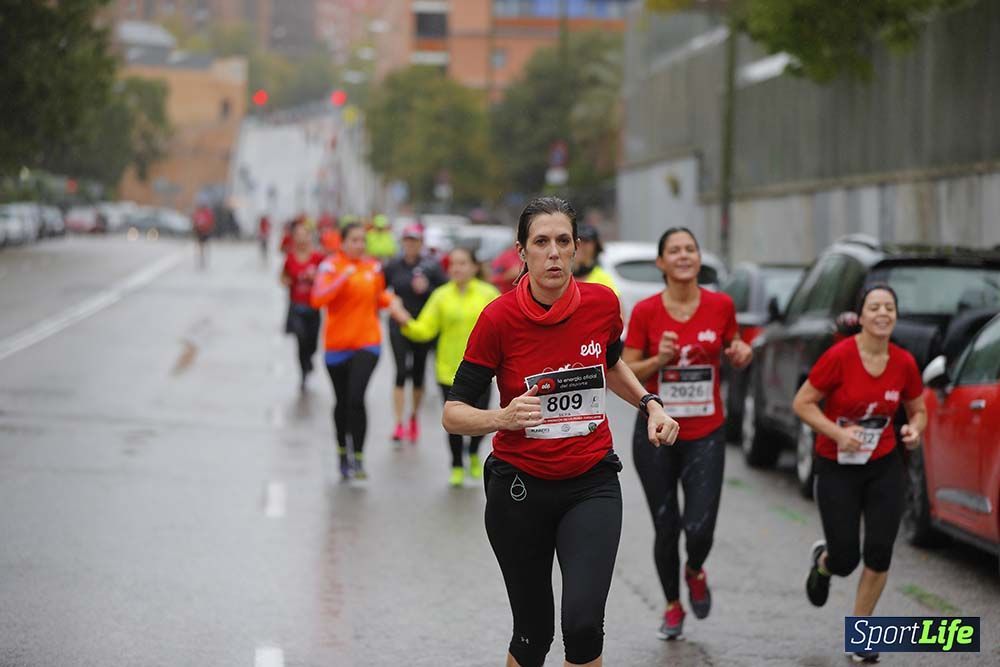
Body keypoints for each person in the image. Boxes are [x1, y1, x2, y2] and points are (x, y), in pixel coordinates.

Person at [442, 196, 680, 667]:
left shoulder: (602, 304)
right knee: (533, 635)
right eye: (541, 242)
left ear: (576, 248)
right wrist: (502, 418)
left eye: (562, 241)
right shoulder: (498, 319)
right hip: (519, 488)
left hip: (591, 482)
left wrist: (649, 404)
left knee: (584, 626)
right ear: (522, 251)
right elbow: (454, 413)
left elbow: (610, 364)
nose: (553, 252)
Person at [622, 226, 752, 640]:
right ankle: (672, 606)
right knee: (667, 526)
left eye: (690, 249)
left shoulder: (721, 305)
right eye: (674, 250)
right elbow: (625, 370)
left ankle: (694, 569)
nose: (683, 256)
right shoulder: (646, 311)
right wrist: (657, 360)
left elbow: (733, 346)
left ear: (698, 258)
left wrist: (741, 353)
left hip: (705, 432)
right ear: (661, 262)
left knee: (699, 528)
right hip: (657, 433)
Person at [793, 284, 926, 665]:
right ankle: (825, 563)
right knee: (846, 557)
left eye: (889, 308)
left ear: (895, 315)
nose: (883, 313)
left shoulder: (904, 362)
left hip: (884, 465)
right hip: (837, 466)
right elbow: (803, 403)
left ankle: (861, 632)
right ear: (862, 316)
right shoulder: (839, 357)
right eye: (875, 307)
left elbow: (918, 409)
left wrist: (915, 430)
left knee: (880, 551)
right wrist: (837, 434)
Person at [388, 246, 499, 486]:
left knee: (482, 419)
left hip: (483, 369)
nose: (457, 268)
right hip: (449, 370)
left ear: (474, 267)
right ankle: (457, 465)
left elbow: (503, 329)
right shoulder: (441, 295)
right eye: (453, 264)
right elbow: (425, 330)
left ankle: (473, 452)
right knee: (455, 422)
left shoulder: (488, 294)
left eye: (462, 263)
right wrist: (404, 320)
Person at [310, 222, 396, 481]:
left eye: (362, 240)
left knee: (357, 398)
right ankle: (342, 453)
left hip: (367, 342)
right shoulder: (330, 266)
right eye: (354, 240)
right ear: (343, 242)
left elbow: (379, 297)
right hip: (337, 346)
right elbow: (318, 298)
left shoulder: (373, 267)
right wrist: (342, 278)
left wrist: (397, 305)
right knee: (342, 401)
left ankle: (358, 456)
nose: (359, 245)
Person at [383, 223, 447, 444]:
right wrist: (393, 303)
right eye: (407, 240)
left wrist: (426, 288)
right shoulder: (393, 266)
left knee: (418, 374)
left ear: (421, 243)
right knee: (401, 372)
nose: (411, 244)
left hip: (423, 326)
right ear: (403, 242)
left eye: (415, 240)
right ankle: (398, 422)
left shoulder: (431, 266)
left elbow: (445, 292)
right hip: (399, 325)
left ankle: (413, 417)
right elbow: (381, 290)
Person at [281, 220, 324, 391]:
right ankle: (303, 372)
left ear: (309, 237)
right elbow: (283, 277)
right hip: (296, 306)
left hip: (313, 306)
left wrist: (316, 279)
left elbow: (327, 278)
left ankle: (310, 359)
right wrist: (287, 281)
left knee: (312, 341)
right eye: (298, 235)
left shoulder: (317, 258)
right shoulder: (290, 258)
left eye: (304, 235)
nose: (301, 238)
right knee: (301, 338)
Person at [573, 223, 618, 293]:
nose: (580, 245)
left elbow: (615, 299)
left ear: (596, 247)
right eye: (576, 241)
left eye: (586, 241)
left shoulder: (603, 280)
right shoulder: (562, 278)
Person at [192, 204, 215, 268]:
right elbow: (211, 222)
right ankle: (203, 256)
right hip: (205, 231)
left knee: (201, 245)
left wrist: (194, 229)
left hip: (200, 231)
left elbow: (194, 221)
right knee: (204, 245)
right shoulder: (208, 213)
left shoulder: (198, 213)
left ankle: (201, 256)